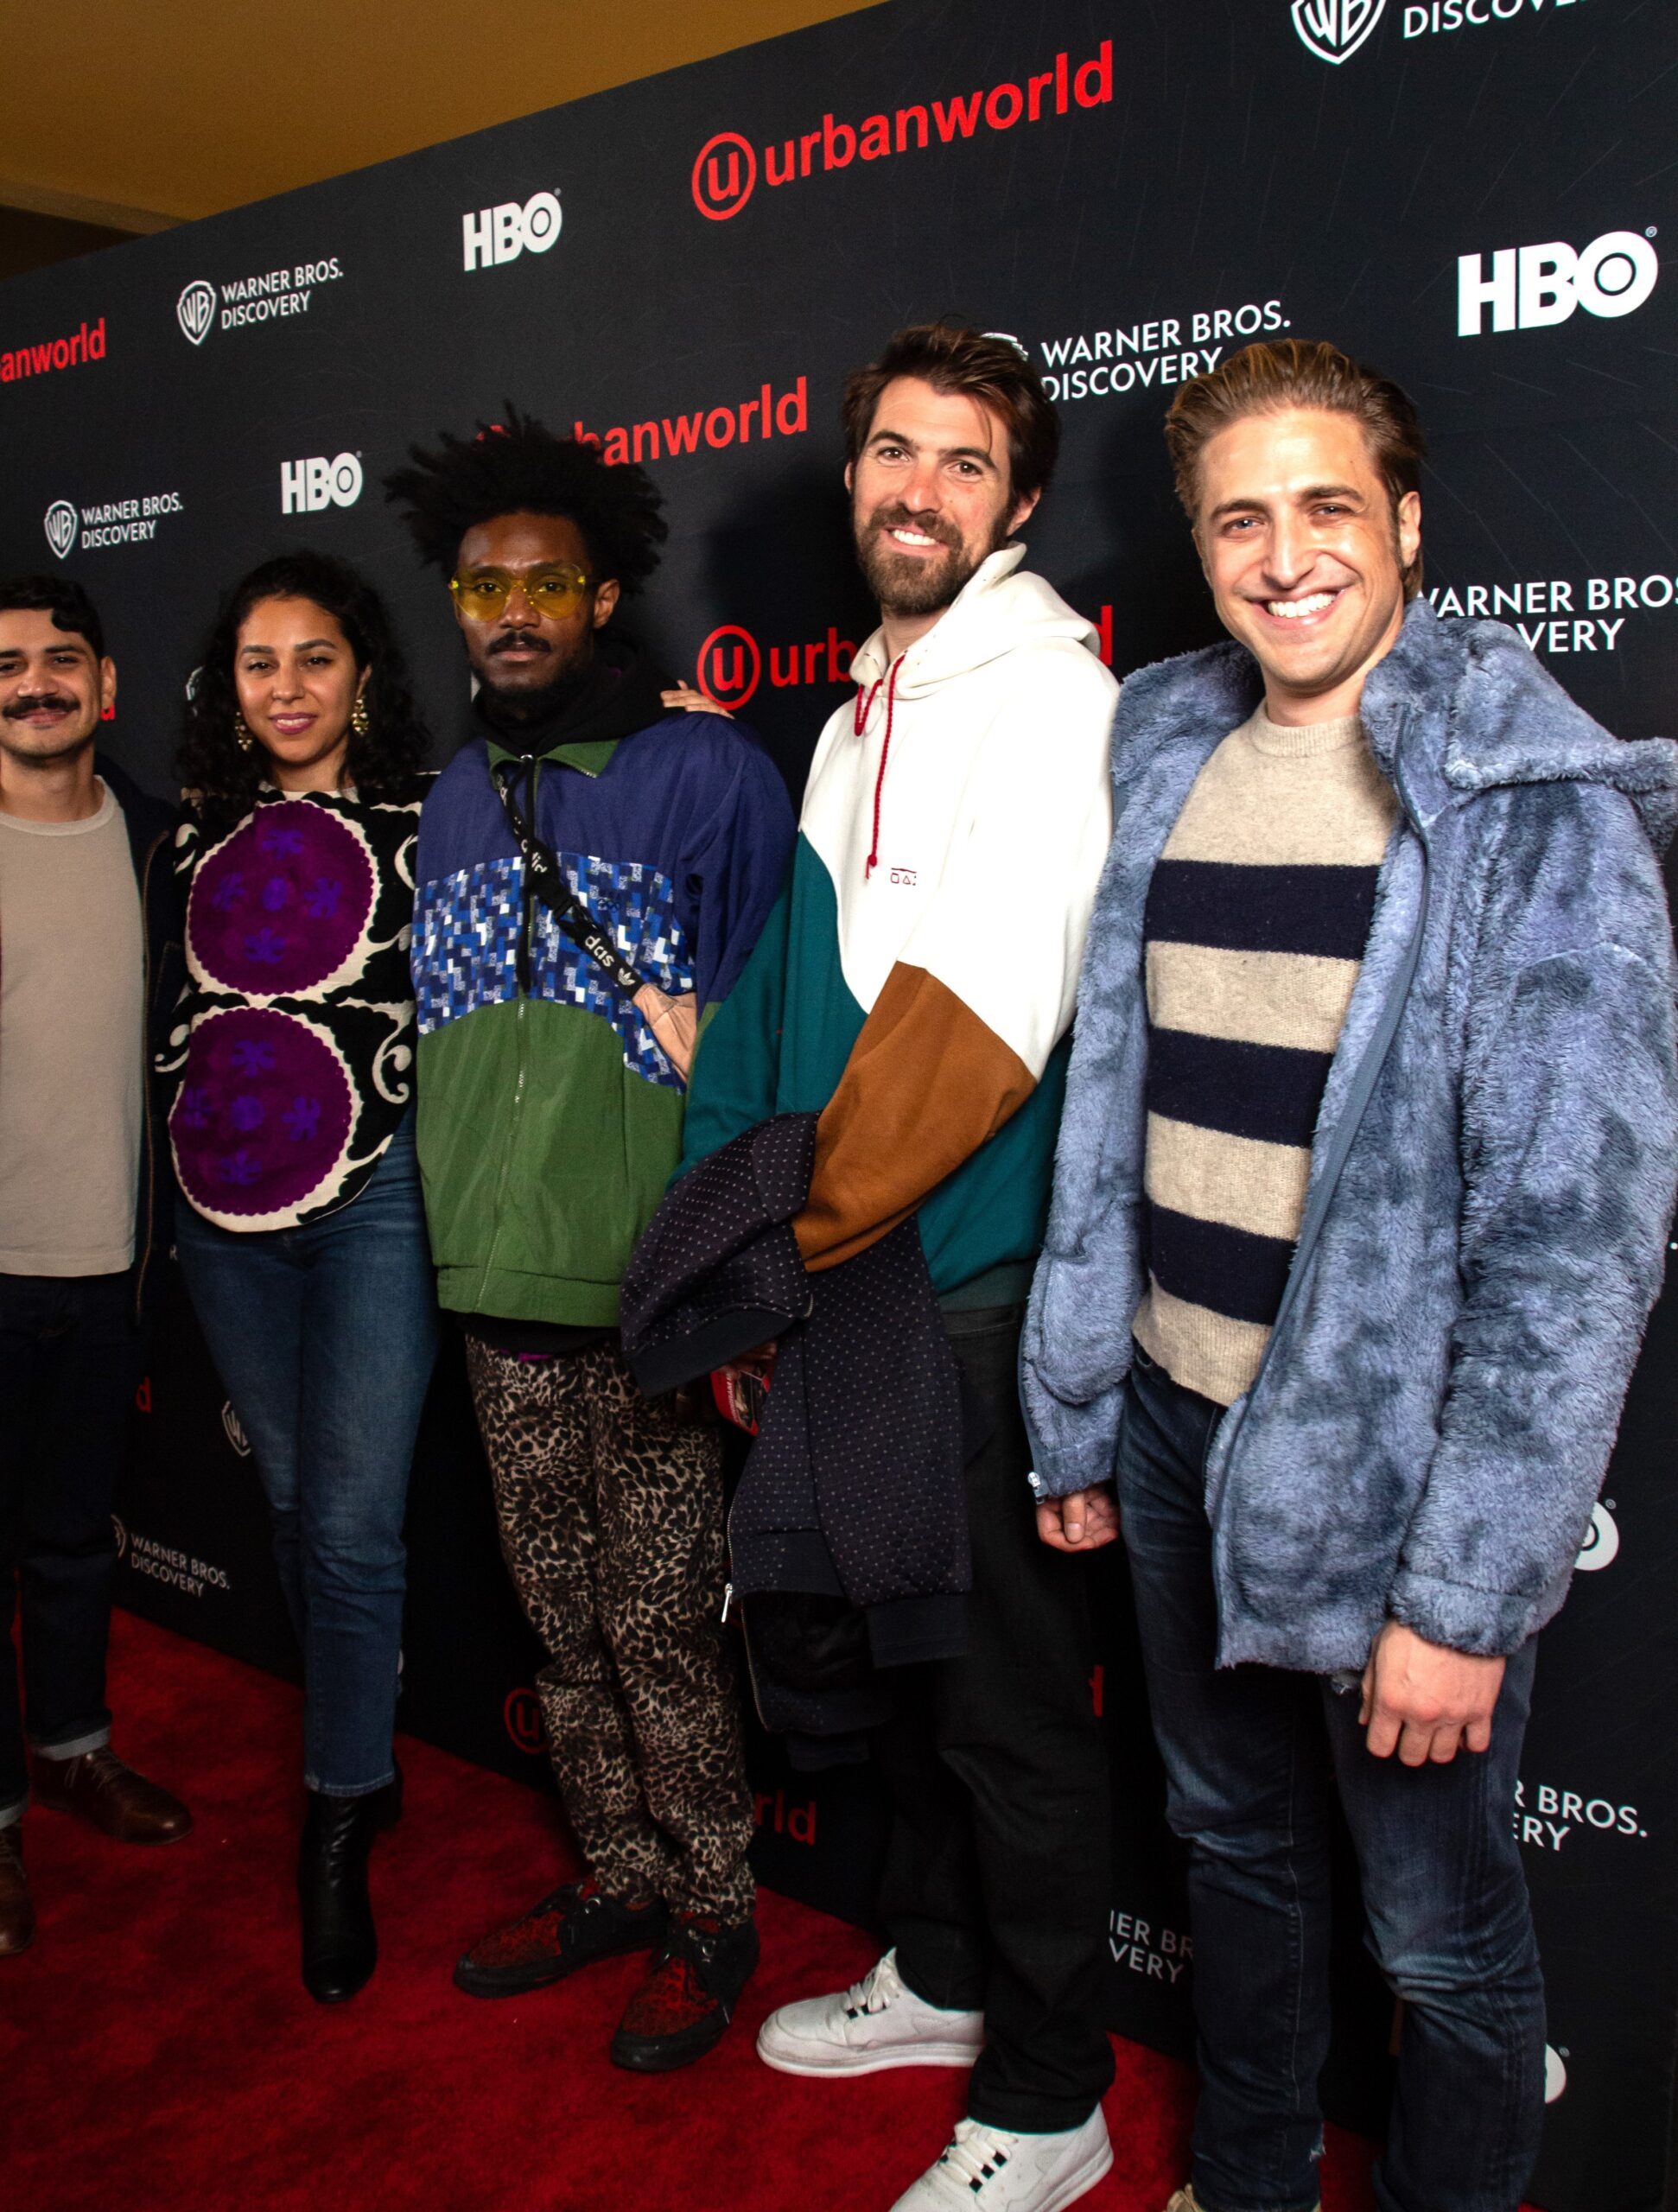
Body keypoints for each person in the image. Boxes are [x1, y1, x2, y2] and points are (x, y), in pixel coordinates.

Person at [1022, 340, 1678, 2212]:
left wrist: (1463, 1595)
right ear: (1198, 547)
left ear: (1403, 522)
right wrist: (1082, 1402)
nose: (1284, 553)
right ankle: (1244, 2184)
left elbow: (1572, 1238)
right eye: (1238, 518)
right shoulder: (1161, 745)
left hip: (1386, 1476)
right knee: (1229, 1852)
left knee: (1436, 1939)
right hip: (1170, 1418)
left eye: (1326, 506)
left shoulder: (1527, 802)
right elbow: (1113, 1107)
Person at [687, 322, 1120, 2211]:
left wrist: (776, 1254)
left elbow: (974, 1037)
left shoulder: (1050, 700)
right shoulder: (854, 714)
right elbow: (777, 1006)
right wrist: (738, 1256)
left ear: (1014, 508)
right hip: (848, 1277)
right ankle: (943, 1973)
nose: (917, 489)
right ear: (851, 472)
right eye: (891, 451)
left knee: (1008, 1716)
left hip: (966, 1292)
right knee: (917, 1674)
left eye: (963, 462)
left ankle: (1052, 2093)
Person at [385, 411, 794, 2071]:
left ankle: (713, 1909)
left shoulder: (709, 774)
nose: (513, 609)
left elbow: (764, 1043)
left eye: (546, 581)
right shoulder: (452, 796)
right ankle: (620, 1874)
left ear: (603, 596)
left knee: (660, 1628)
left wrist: (733, 1266)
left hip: (651, 1293)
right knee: (558, 1625)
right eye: (483, 585)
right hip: (495, 1288)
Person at [162, 551, 437, 2004]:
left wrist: (671, 737)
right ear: (229, 685)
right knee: (289, 1506)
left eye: (315, 658)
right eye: (259, 662)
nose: (287, 687)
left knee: (350, 1525)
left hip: (376, 1201)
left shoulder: (429, 819)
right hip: (221, 1210)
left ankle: (336, 1821)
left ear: (363, 676)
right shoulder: (187, 836)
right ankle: (361, 1752)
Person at [0, 575, 192, 1957]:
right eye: (7, 665)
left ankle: (72, 1748)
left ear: (106, 685)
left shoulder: (159, 842)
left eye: (61, 659)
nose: (34, 684)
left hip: (112, 1266)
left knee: (73, 1536)